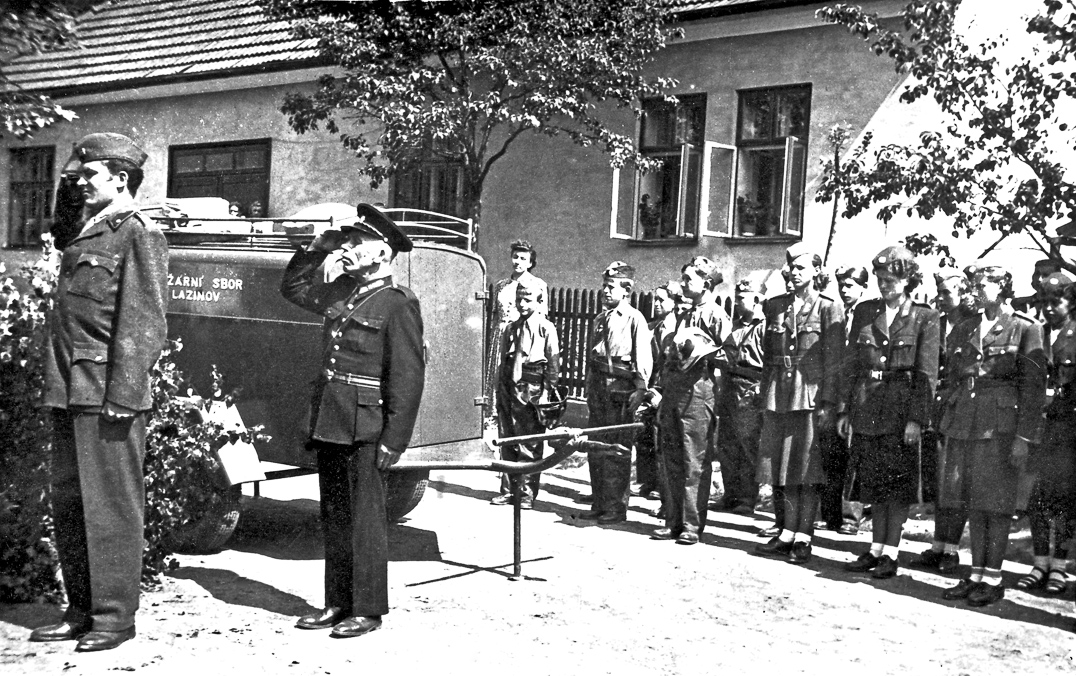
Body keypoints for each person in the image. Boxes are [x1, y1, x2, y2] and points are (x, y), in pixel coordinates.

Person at [32, 133, 168, 652]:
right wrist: (72, 183)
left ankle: (113, 618)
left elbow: (145, 322)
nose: (79, 182)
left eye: (90, 175)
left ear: (120, 177)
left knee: (110, 507)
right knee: (71, 502)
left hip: (108, 393)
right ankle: (81, 608)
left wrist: (124, 394)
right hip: (69, 387)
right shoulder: (87, 232)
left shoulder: (139, 234)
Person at [281, 204, 425, 638]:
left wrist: (394, 440)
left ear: (381, 253)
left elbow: (407, 377)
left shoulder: (398, 304)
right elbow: (294, 288)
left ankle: (367, 608)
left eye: (354, 243)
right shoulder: (345, 289)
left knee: (364, 518)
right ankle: (337, 601)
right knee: (336, 513)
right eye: (345, 241)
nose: (346, 248)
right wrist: (315, 249)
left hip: (367, 425)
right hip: (333, 415)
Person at [938, 265, 1045, 607]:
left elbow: (1033, 390)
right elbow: (955, 375)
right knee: (971, 501)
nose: (977, 289)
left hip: (1001, 428)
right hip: (967, 424)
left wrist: (1024, 438)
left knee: (996, 506)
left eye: (984, 284)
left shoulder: (1026, 328)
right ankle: (975, 575)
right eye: (975, 284)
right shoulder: (967, 325)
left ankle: (994, 578)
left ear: (1002, 286)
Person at [839, 246, 939, 580]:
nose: (885, 285)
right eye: (881, 279)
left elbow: (926, 375)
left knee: (896, 486)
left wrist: (916, 419)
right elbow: (851, 364)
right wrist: (844, 410)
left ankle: (891, 553)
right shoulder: (866, 311)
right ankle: (874, 549)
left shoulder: (925, 316)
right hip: (867, 406)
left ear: (908, 279)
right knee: (872, 482)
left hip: (900, 411)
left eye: (892, 279)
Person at [754, 244, 845, 564]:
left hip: (810, 397)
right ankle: (787, 533)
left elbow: (834, 362)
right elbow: (768, 358)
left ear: (816, 274)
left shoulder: (828, 308)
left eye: (802, 269)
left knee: (807, 469)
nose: (794, 273)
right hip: (779, 395)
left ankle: (804, 536)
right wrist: (764, 393)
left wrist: (829, 404)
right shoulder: (775, 306)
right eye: (791, 269)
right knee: (784, 466)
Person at [650, 257, 730, 544]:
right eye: (682, 278)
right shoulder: (682, 314)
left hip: (698, 392)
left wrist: (703, 351)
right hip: (674, 390)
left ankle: (691, 525)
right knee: (670, 455)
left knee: (693, 459)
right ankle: (672, 520)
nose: (683, 284)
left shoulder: (716, 315)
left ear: (706, 284)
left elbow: (730, 355)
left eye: (688, 279)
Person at [913, 268, 978, 573]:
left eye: (948, 292)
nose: (941, 298)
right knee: (938, 480)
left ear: (965, 293)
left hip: (962, 408)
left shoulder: (974, 324)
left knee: (955, 480)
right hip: (934, 408)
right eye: (939, 292)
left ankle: (951, 548)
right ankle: (938, 544)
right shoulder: (935, 322)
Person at [1017, 271, 1076, 595]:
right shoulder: (1036, 334)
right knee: (1035, 500)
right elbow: (1028, 388)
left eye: (1058, 301)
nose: (1050, 308)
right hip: (1038, 431)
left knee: (1065, 501)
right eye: (1046, 302)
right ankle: (1039, 563)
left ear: (1071, 303)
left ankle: (1059, 567)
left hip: (1067, 431)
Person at [582, 261, 651, 525]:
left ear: (626, 290)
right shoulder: (600, 318)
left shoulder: (634, 318)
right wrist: (590, 387)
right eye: (604, 286)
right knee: (595, 447)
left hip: (620, 389)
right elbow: (593, 357)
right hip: (599, 389)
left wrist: (641, 388)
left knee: (617, 449)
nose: (605, 291)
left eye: (611, 287)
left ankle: (616, 507)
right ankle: (599, 502)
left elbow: (642, 356)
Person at [489, 280, 561, 509]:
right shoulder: (511, 328)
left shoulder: (545, 328)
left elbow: (553, 363)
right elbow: (503, 360)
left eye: (527, 300)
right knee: (508, 438)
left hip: (532, 385)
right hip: (510, 383)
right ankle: (509, 490)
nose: (521, 304)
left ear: (539, 302)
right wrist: (499, 389)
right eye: (518, 299)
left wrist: (546, 392)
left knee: (529, 442)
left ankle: (527, 493)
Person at [818, 265, 870, 535]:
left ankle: (851, 517)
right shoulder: (837, 316)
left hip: (859, 393)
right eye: (842, 285)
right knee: (832, 454)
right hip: (836, 391)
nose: (845, 290)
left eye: (851, 285)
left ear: (863, 287)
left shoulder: (869, 316)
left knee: (855, 455)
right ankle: (830, 514)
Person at [714, 278, 766, 515]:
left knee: (747, 444)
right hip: (729, 385)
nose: (737, 301)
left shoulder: (765, 327)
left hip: (751, 387)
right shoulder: (734, 326)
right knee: (727, 443)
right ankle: (730, 494)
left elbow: (769, 362)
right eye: (736, 296)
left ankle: (747, 497)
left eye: (742, 297)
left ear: (756, 299)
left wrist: (760, 388)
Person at [484, 240, 548, 426]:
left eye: (523, 258)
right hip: (501, 335)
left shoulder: (538, 285)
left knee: (519, 376)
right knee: (498, 374)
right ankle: (495, 414)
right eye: (515, 257)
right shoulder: (501, 286)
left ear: (530, 263)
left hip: (524, 337)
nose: (518, 261)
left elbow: (542, 318)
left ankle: (518, 413)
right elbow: (495, 316)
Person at [633, 281, 681, 502]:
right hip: (650, 386)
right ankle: (647, 480)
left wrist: (660, 390)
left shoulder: (676, 329)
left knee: (661, 438)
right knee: (644, 436)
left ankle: (661, 487)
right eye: (655, 299)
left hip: (665, 388)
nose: (657, 303)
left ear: (674, 301)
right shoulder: (652, 328)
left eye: (662, 299)